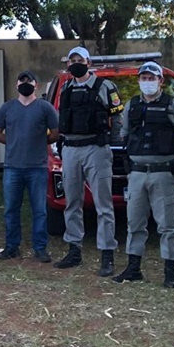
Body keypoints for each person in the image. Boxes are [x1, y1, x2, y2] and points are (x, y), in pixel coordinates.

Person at [112, 62, 174, 286]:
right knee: (134, 223)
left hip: (163, 173)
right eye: (143, 78)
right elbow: (125, 134)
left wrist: (170, 153)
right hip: (137, 173)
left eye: (151, 78)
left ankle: (170, 272)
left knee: (167, 225)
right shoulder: (132, 105)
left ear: (161, 81)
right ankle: (133, 268)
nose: (147, 82)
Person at [54, 46, 123, 275]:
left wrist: (110, 143)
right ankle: (74, 250)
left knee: (103, 204)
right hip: (71, 149)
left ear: (88, 62)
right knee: (72, 202)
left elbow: (117, 117)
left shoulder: (104, 86)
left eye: (79, 59)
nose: (75, 63)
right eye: (71, 59)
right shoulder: (66, 88)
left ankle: (107, 254)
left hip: (96, 148)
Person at [0, 70, 59, 262]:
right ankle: (12, 247)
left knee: (39, 209)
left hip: (37, 167)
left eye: (29, 81)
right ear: (16, 85)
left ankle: (40, 248)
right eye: (22, 81)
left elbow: (55, 133)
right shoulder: (8, 107)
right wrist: (12, 142)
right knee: (11, 209)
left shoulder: (45, 108)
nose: (25, 84)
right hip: (12, 167)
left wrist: (39, 142)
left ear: (36, 85)